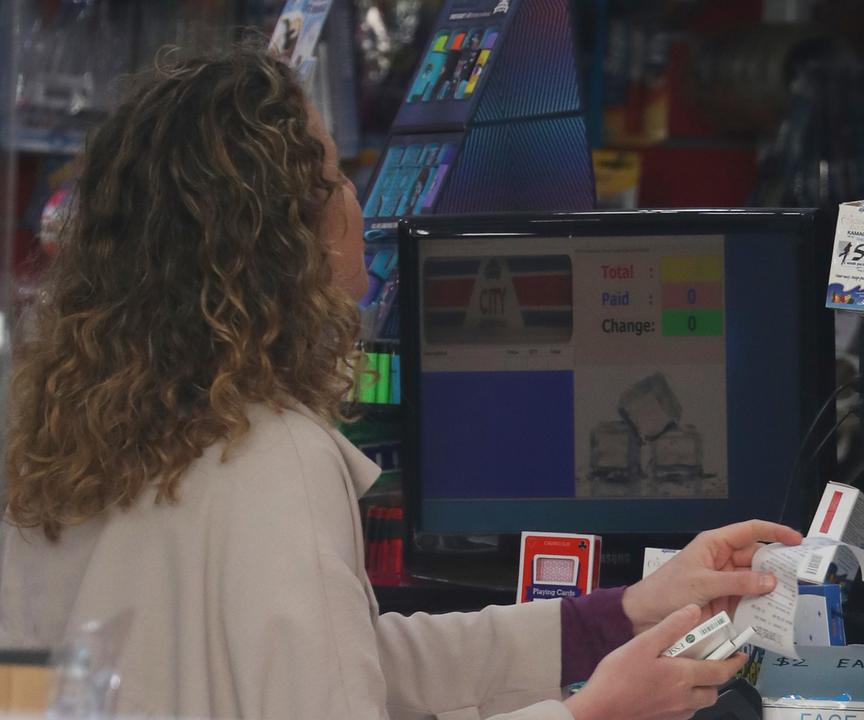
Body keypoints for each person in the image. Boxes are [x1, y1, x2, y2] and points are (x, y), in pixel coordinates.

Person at [0, 46, 804, 720]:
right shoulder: (274, 459)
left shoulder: (63, 438)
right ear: (287, 238)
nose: (354, 197)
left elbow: (355, 660)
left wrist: (624, 610)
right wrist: (592, 712)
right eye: (335, 174)